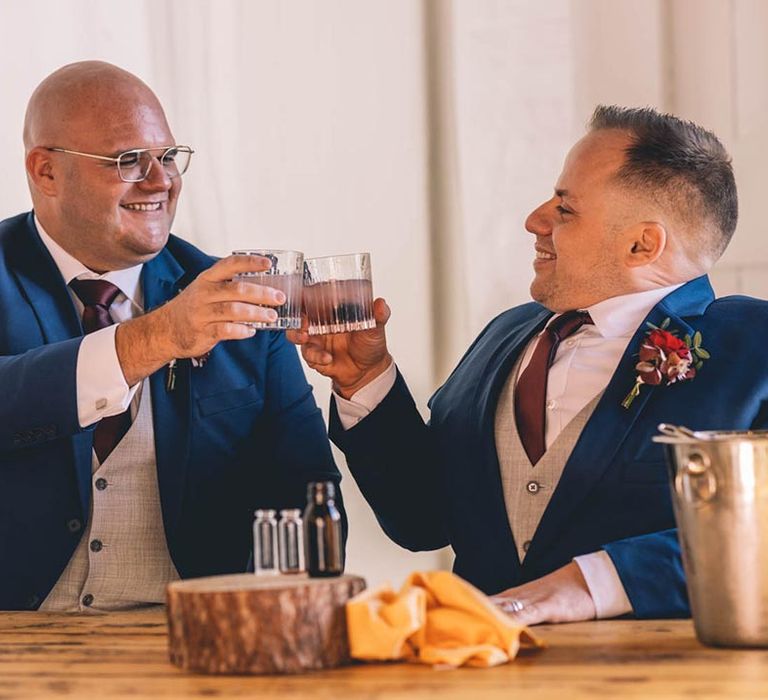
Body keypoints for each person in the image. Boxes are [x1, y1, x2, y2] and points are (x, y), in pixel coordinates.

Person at [291, 105, 768, 624]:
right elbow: (422, 521)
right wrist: (366, 378)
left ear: (642, 244)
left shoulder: (753, 346)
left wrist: (585, 586)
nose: (534, 220)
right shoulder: (506, 334)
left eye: (565, 209)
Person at [0, 61, 344, 612]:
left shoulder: (241, 297)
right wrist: (156, 337)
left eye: (167, 156)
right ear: (46, 172)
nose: (161, 181)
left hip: (193, 645)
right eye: (128, 160)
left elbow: (308, 497)